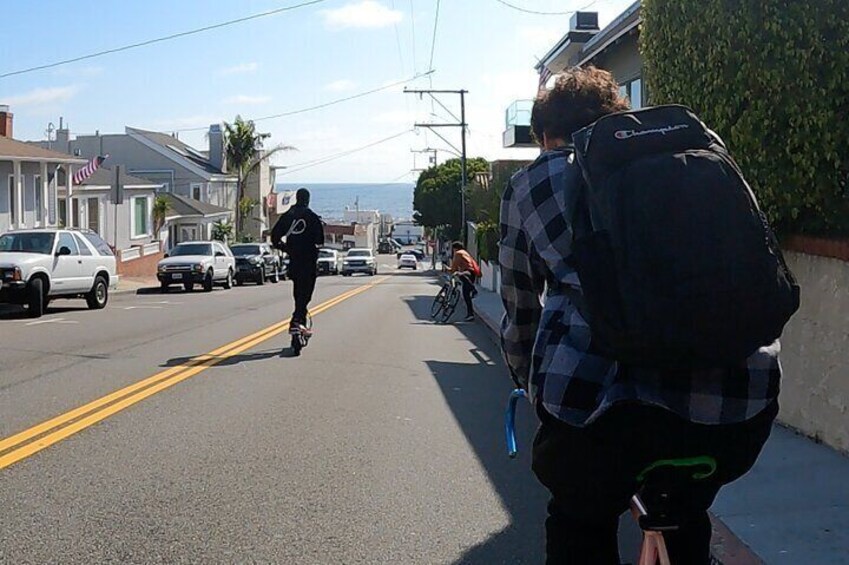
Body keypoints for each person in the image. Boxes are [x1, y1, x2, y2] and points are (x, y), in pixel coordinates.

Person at [499, 67, 779, 564]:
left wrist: (527, 380)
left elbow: (520, 305)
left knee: (578, 517)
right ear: (617, 119)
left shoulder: (534, 181)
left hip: (597, 417)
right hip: (740, 411)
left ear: (545, 134)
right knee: (688, 513)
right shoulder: (699, 159)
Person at [271, 188, 324, 334]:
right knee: (306, 294)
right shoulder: (311, 217)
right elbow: (320, 240)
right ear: (307, 199)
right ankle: (296, 320)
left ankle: (299, 320)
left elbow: (275, 237)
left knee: (298, 292)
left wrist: (287, 249)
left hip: (294, 261)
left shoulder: (288, 215)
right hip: (308, 262)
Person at [447, 241, 477, 322]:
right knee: (466, 295)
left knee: (460, 275)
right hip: (472, 274)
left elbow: (453, 269)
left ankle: (473, 289)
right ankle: (470, 315)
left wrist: (446, 269)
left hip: (467, 273)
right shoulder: (465, 253)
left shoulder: (458, 253)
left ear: (455, 248)